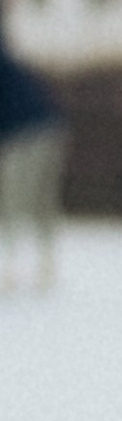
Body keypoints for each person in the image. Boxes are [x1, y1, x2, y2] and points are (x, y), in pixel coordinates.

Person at [0, 30, 66, 285]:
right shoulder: (10, 62)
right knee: (42, 201)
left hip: (25, 134)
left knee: (13, 199)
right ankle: (46, 264)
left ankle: (11, 266)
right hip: (50, 127)